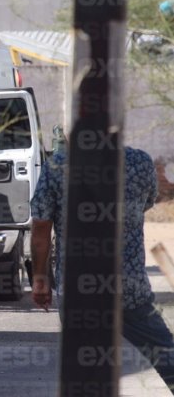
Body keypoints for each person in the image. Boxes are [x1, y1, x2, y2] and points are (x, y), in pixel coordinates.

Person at [31, 146, 174, 389]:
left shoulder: (56, 165)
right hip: (128, 287)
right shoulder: (139, 161)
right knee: (165, 354)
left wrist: (39, 278)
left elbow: (41, 228)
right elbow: (144, 204)